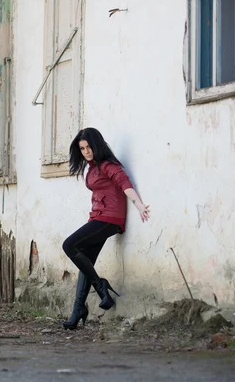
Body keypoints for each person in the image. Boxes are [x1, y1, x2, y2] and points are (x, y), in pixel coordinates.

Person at [62, 127, 150, 330]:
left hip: (109, 218)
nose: (85, 151)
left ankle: (101, 287)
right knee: (85, 259)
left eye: (88, 147)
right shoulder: (92, 168)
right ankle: (78, 311)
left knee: (69, 245)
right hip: (98, 216)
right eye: (82, 148)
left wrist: (138, 204)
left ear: (97, 144)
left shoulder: (108, 165)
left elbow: (124, 183)